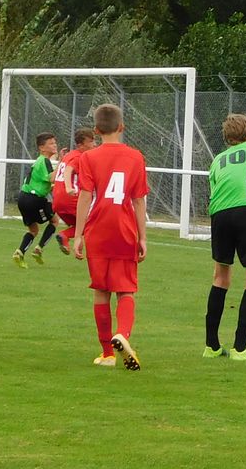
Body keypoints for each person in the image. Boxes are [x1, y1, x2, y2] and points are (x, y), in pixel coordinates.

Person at [72, 103, 149, 369]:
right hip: (124, 229)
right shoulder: (135, 157)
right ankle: (123, 334)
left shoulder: (88, 158)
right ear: (122, 127)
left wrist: (78, 235)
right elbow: (138, 200)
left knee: (101, 291)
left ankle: (107, 354)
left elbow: (85, 196)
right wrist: (142, 237)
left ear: (96, 130)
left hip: (97, 230)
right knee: (125, 290)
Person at [204, 113, 246, 361]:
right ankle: (240, 349)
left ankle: (211, 346)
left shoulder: (217, 160)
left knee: (220, 277)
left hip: (219, 214)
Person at [14, 132, 61, 266]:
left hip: (23, 198)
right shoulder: (44, 161)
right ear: (42, 147)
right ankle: (38, 249)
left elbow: (46, 182)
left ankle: (19, 252)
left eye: (55, 143)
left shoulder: (40, 162)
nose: (54, 145)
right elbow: (52, 178)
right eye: (51, 143)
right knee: (55, 221)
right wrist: (62, 162)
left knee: (33, 230)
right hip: (34, 199)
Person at [51, 128, 96, 255]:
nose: (94, 144)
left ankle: (75, 242)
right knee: (93, 222)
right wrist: (68, 187)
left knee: (81, 227)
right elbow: (68, 170)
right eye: (91, 142)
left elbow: (53, 178)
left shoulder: (68, 155)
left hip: (58, 202)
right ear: (80, 145)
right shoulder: (80, 157)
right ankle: (65, 235)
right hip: (71, 199)